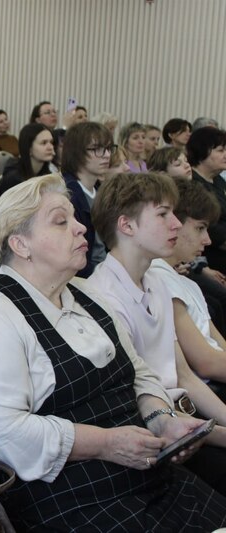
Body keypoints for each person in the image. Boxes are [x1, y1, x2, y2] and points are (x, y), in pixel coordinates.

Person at [0, 173, 226, 531]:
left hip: (143, 475)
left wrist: (161, 420)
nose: (81, 228)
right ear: (20, 244)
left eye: (75, 219)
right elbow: (1, 434)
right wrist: (105, 443)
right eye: (61, 222)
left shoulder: (85, 294)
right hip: (67, 498)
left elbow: (137, 373)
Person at [89, 172, 226, 494]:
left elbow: (184, 375)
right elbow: (136, 400)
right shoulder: (103, 297)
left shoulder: (155, 281)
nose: (176, 224)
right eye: (163, 214)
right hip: (155, 430)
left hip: (185, 420)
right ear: (127, 226)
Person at [148, 178, 226, 392]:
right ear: (173, 223)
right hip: (207, 390)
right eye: (200, 228)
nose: (207, 240)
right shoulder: (157, 277)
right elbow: (206, 362)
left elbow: (219, 345)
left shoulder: (186, 283)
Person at [61, 122, 114, 277]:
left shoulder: (100, 191)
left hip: (103, 269)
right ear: (77, 153)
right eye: (97, 149)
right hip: (85, 275)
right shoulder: (67, 194)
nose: (107, 155)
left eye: (108, 148)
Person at [189, 127, 226, 272]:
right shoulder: (192, 183)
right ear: (202, 151)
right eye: (220, 150)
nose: (225, 154)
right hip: (209, 255)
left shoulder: (218, 180)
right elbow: (210, 227)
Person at [0, 123, 54, 204]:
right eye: (44, 143)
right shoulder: (13, 178)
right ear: (29, 148)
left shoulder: (46, 173)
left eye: (51, 142)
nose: (50, 147)